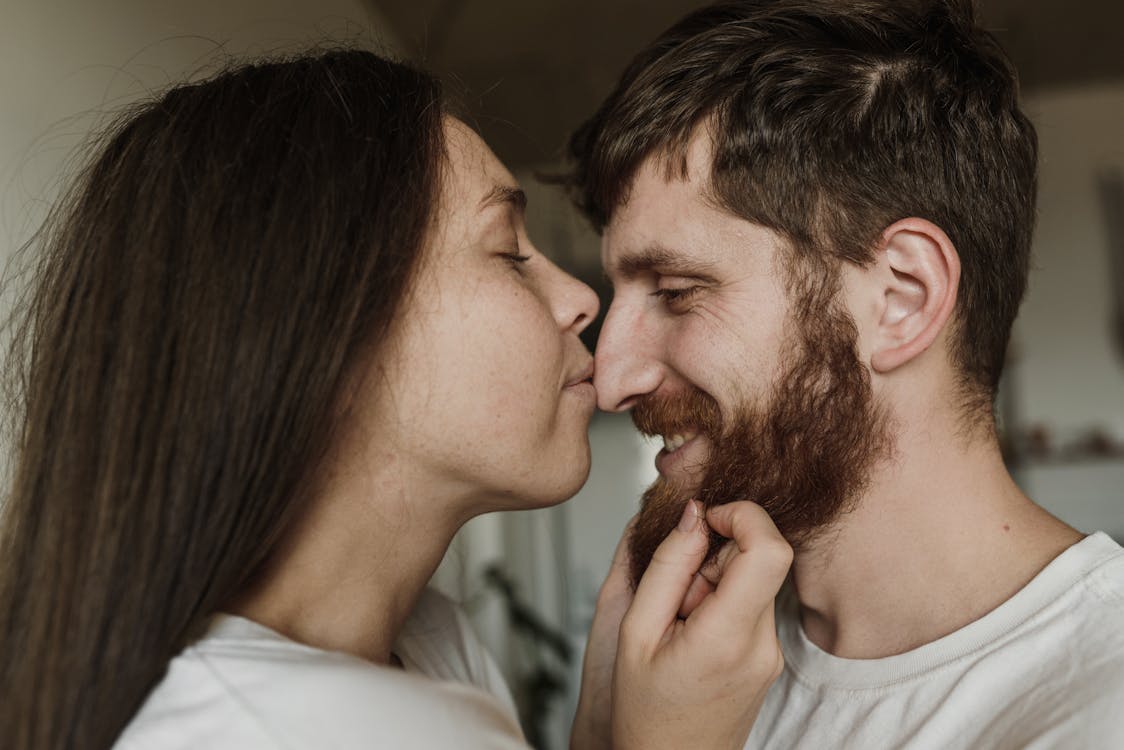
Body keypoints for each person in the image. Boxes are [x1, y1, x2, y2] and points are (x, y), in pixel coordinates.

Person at [0, 50, 790, 750]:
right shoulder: (312, 726)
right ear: (329, 332)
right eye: (509, 253)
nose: (578, 302)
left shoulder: (426, 642)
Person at [563, 0, 1124, 747]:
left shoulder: (1098, 705)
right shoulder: (691, 677)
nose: (611, 380)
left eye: (675, 292)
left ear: (901, 298)